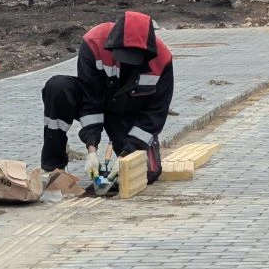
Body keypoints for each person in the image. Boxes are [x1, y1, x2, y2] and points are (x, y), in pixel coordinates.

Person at [40, 11, 174, 185]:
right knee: (57, 88)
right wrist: (92, 149)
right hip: (97, 98)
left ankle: (127, 158)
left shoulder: (162, 60)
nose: (126, 62)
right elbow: (90, 100)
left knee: (144, 172)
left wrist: (127, 153)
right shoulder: (94, 42)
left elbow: (155, 115)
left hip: (128, 111)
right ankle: (53, 168)